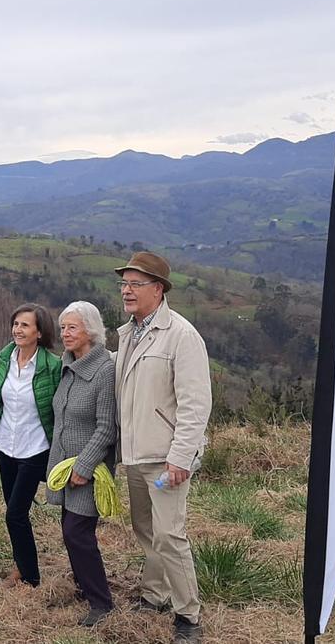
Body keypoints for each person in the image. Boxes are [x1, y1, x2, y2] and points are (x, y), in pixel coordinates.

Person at [113, 252, 210, 644]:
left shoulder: (182, 336)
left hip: (165, 459)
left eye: (136, 284)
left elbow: (195, 404)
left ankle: (189, 616)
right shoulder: (129, 333)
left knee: (170, 535)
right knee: (145, 529)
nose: (127, 291)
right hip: (135, 456)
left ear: (159, 289)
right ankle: (155, 594)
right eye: (124, 284)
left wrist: (181, 457)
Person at [47, 301, 117, 627]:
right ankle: (83, 586)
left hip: (87, 470)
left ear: (90, 330)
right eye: (63, 328)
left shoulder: (103, 370)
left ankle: (101, 603)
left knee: (78, 533)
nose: (65, 334)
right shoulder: (68, 366)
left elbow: (106, 426)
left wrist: (84, 466)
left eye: (72, 327)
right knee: (69, 530)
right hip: (64, 466)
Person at [0, 303, 61, 588]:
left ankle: (30, 576)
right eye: (15, 324)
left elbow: (57, 409)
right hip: (6, 444)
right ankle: (21, 564)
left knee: (15, 513)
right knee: (14, 510)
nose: (17, 329)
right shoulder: (5, 358)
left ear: (40, 332)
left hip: (34, 447)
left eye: (25, 325)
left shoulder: (52, 366)